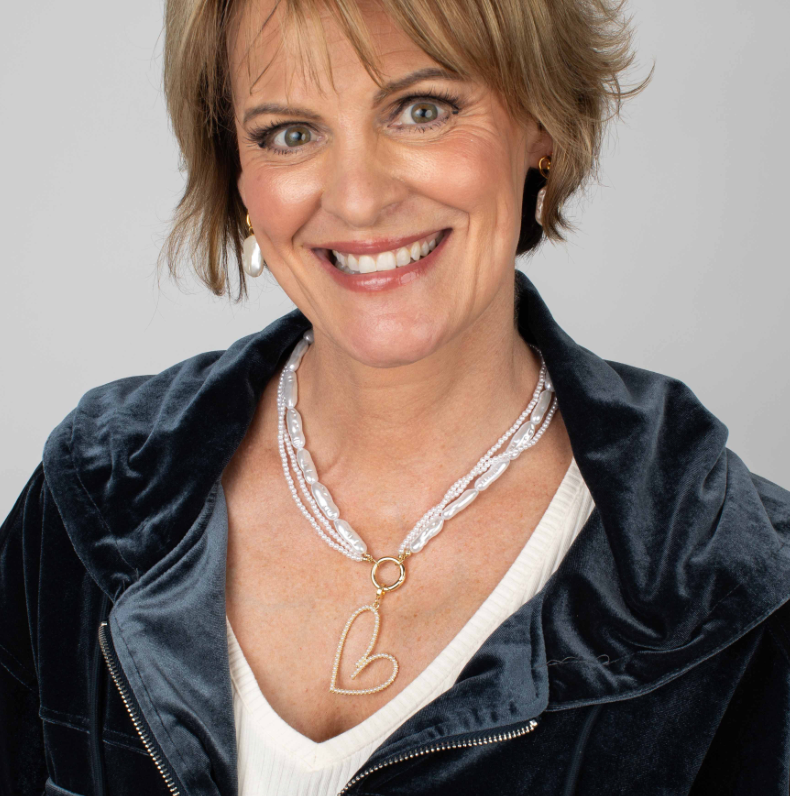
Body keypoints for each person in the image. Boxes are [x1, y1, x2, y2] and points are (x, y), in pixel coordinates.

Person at [2, 0, 789, 794]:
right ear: (237, 172)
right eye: (290, 133)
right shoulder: (95, 497)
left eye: (421, 110)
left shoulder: (729, 584)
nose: (358, 199)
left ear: (542, 126)